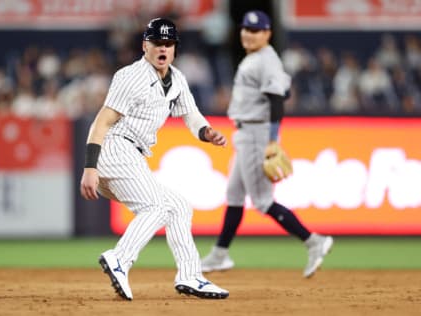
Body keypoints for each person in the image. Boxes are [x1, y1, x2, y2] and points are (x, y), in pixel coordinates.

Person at [80, 17, 229, 300]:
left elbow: (191, 115)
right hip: (114, 148)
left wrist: (206, 131)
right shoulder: (131, 76)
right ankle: (120, 259)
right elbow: (101, 123)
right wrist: (89, 167)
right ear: (145, 45)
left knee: (178, 207)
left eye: (169, 43)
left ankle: (190, 275)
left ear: (175, 48)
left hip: (130, 156)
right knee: (156, 206)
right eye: (158, 43)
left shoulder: (177, 79)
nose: (163, 48)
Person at [201, 10, 334, 278]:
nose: (249, 34)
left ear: (268, 33)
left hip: (257, 134)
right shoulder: (260, 58)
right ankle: (219, 254)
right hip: (246, 133)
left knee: (262, 202)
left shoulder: (265, 60)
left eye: (256, 30)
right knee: (235, 195)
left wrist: (272, 141)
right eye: (246, 29)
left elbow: (276, 101)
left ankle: (314, 241)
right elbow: (284, 89)